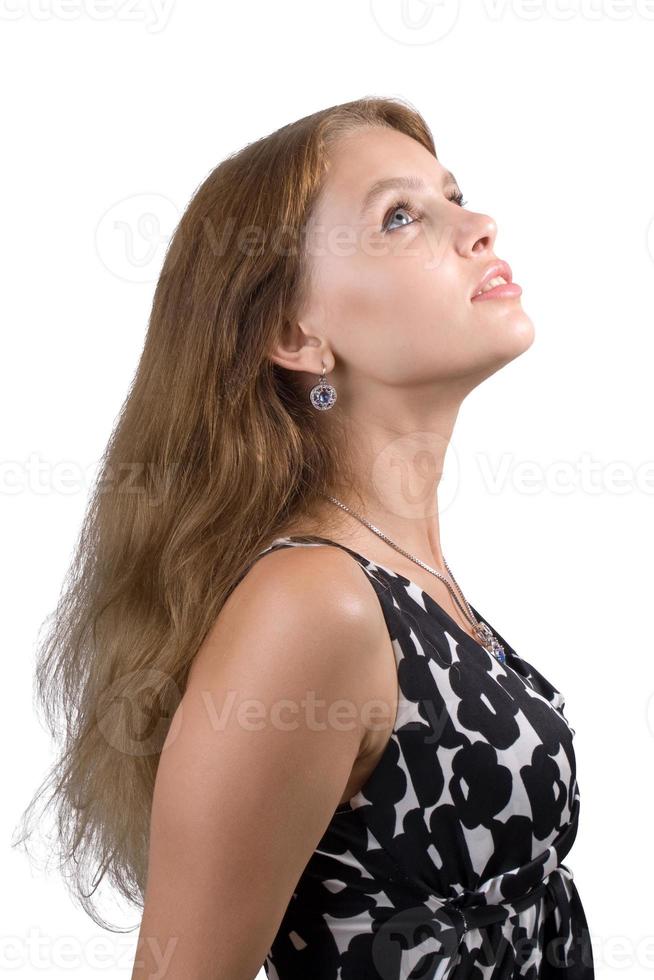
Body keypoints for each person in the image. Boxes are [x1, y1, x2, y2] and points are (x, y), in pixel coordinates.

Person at [14, 95, 594, 979]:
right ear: (297, 333)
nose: (479, 226)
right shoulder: (313, 605)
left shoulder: (401, 573)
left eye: (455, 195)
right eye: (401, 216)